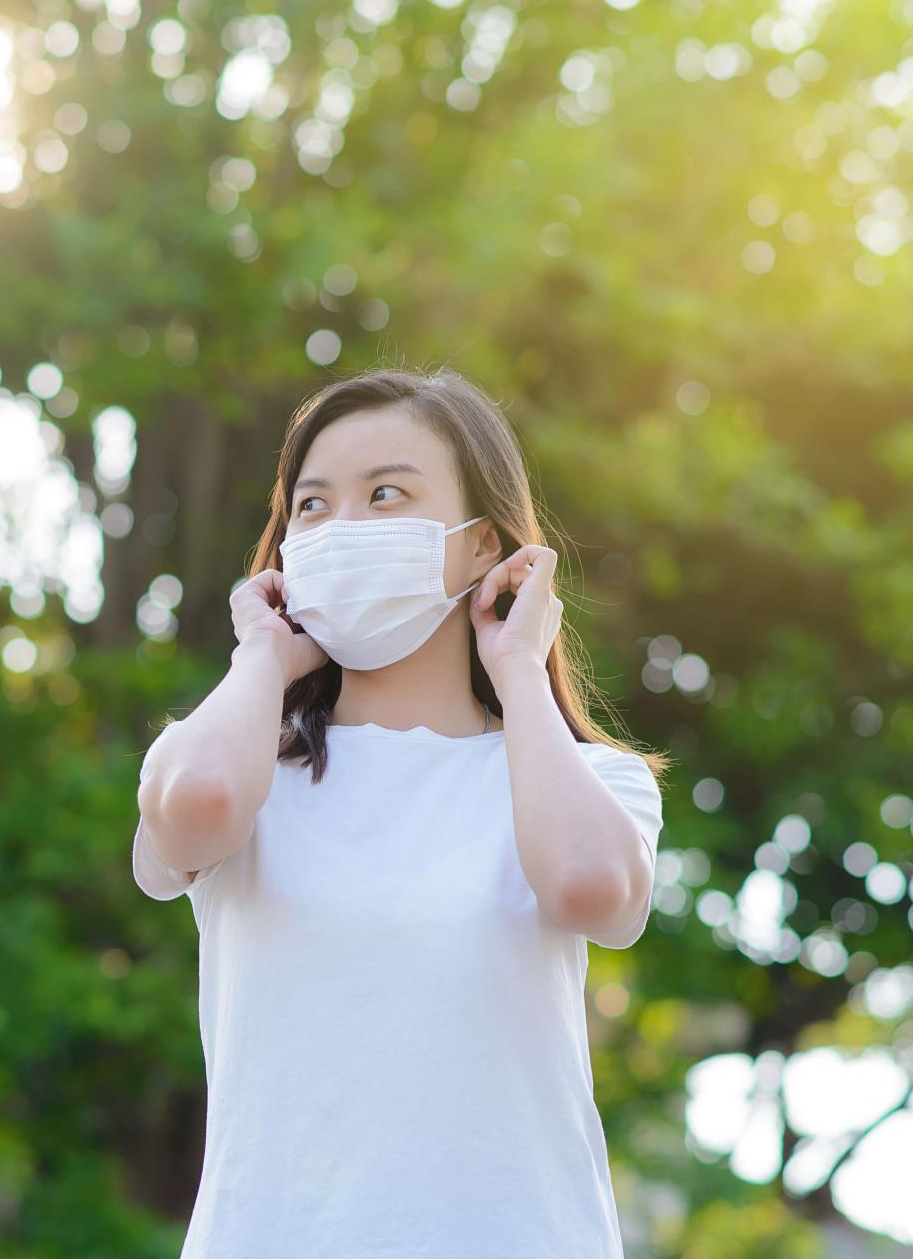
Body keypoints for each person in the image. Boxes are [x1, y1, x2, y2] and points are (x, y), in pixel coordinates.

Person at [131, 366, 672, 1259]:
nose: (343, 528)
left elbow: (590, 891)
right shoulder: (233, 759)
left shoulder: (586, 779)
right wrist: (262, 656)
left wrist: (521, 672)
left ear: (479, 546)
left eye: (386, 494)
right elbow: (198, 808)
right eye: (312, 505)